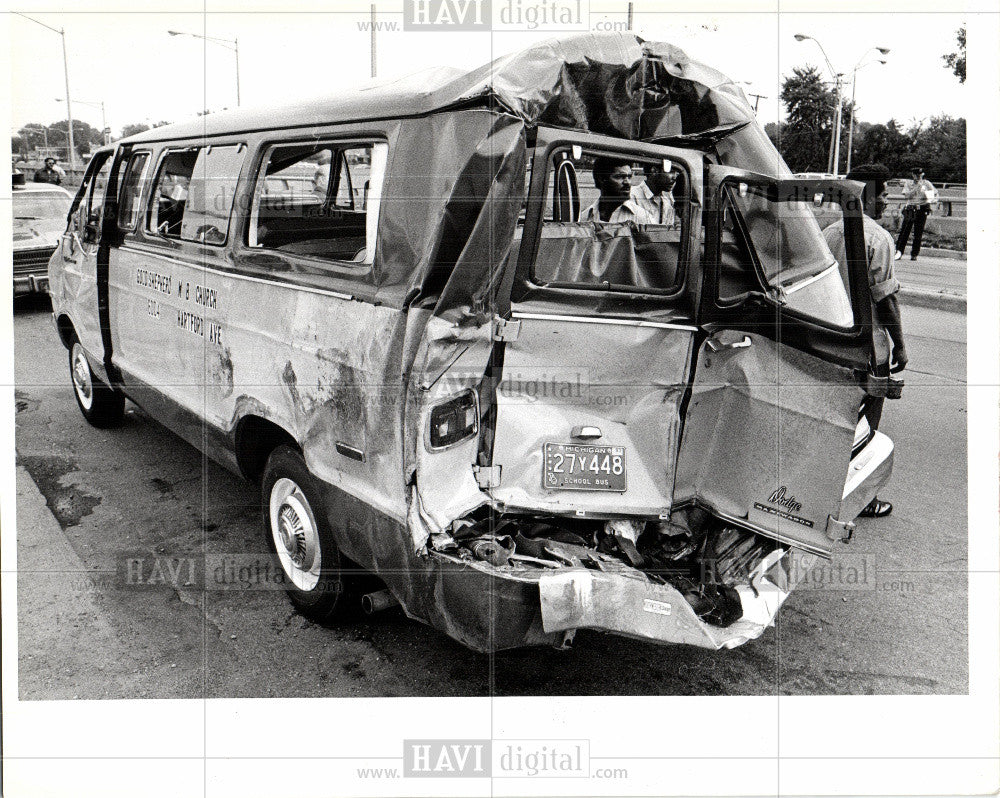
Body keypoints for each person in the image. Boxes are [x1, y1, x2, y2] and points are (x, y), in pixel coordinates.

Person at [822, 163, 907, 518]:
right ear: (868, 195)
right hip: (869, 347)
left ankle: (823, 492)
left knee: (834, 423)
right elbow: (886, 300)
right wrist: (900, 344)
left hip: (830, 342)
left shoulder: (828, 234)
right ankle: (862, 497)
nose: (888, 200)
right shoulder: (879, 239)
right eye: (884, 193)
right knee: (866, 424)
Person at [895, 168, 937, 261]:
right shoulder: (909, 184)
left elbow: (933, 195)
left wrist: (930, 197)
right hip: (911, 208)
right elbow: (907, 196)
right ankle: (899, 252)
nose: (918, 177)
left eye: (920, 175)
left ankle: (914, 254)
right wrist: (916, 188)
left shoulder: (927, 183)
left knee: (918, 232)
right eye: (916, 175)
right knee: (905, 231)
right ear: (913, 175)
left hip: (921, 209)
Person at [581, 157, 637, 222]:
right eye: (619, 177)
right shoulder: (585, 217)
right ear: (601, 179)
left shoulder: (641, 217)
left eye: (629, 177)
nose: (627, 182)